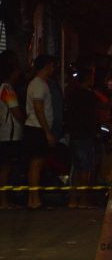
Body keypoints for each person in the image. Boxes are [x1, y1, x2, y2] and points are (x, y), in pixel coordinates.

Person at [23, 55, 57, 210]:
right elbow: (38, 109)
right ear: (47, 66)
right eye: (52, 66)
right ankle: (34, 200)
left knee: (35, 164)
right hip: (37, 128)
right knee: (36, 164)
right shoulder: (38, 84)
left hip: (36, 128)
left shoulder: (39, 83)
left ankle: (32, 199)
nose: (53, 69)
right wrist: (47, 132)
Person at [64, 66, 98, 209]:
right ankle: (83, 200)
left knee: (75, 168)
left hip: (74, 135)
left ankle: (73, 199)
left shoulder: (71, 94)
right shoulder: (89, 96)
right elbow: (93, 115)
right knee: (85, 168)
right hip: (85, 135)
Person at [0, 54, 25, 209]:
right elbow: (16, 112)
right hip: (8, 134)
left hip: (4, 133)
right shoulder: (7, 89)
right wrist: (27, 121)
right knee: (6, 168)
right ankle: (3, 201)